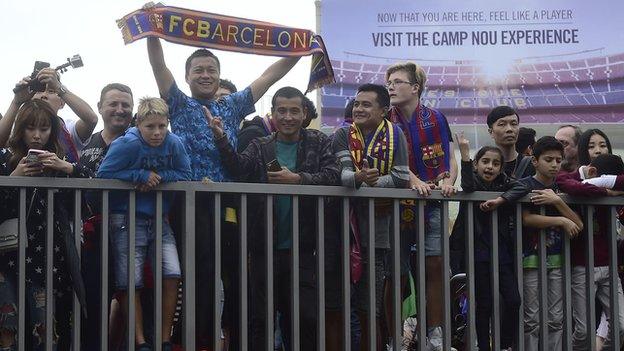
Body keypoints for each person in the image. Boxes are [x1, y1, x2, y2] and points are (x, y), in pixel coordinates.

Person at [146, 30, 301, 347]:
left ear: (218, 75)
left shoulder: (233, 105)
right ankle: (200, 341)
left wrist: (299, 50)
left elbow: (269, 76)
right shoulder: (178, 103)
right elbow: (159, 65)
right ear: (188, 77)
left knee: (235, 275)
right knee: (200, 274)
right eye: (198, 70)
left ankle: (238, 342)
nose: (205, 75)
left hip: (229, 202)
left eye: (211, 70)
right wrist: (153, 32)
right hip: (190, 202)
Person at [208, 86, 340, 351]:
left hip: (304, 247)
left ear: (305, 113)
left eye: (294, 111)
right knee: (260, 318)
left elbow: (334, 174)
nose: (288, 117)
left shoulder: (319, 141)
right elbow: (239, 168)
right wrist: (222, 139)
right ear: (273, 114)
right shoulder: (260, 145)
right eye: (282, 111)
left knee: (304, 318)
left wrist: (299, 179)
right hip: (263, 248)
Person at [97, 97, 191, 351]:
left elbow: (185, 173)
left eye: (162, 126)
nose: (157, 133)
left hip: (159, 217)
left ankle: (164, 339)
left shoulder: (174, 143)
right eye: (150, 127)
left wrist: (159, 178)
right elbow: (103, 174)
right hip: (125, 218)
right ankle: (140, 342)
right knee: (130, 280)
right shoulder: (126, 144)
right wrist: (138, 175)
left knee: (173, 273)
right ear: (139, 123)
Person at [0, 99, 90, 351]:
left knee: (46, 331)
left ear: (52, 130)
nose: (37, 136)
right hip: (7, 258)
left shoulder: (58, 163)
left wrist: (68, 167)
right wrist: (11, 179)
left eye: (43, 128)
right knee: (8, 328)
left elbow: (93, 192)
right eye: (30, 128)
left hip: (47, 260)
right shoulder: (6, 160)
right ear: (20, 130)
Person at [385, 62, 458, 350]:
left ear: (415, 88)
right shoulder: (385, 121)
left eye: (398, 81)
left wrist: (449, 179)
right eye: (389, 81)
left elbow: (449, 157)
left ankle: (436, 337)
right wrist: (413, 180)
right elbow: (391, 161)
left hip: (431, 203)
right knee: (396, 273)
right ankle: (395, 338)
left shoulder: (436, 118)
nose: (390, 86)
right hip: (395, 206)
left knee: (436, 266)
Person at [332, 84, 410, 350]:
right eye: (357, 104)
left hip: (378, 235)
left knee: (370, 308)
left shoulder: (396, 134)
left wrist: (369, 184)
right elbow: (340, 176)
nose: (359, 109)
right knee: (338, 304)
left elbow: (402, 178)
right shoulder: (342, 134)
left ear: (384, 111)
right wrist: (358, 178)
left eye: (366, 105)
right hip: (341, 233)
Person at [450, 132, 526, 351]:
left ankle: (503, 345)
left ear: (501, 169)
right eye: (485, 162)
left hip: (501, 254)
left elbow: (524, 186)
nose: (490, 167)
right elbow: (468, 184)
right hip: (477, 254)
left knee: (513, 300)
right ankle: (484, 347)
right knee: (484, 305)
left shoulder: (504, 185)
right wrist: (464, 154)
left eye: (495, 163)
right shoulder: (471, 182)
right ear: (476, 165)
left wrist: (501, 199)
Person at [78, 83, 134, 351]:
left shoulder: (142, 139)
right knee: (93, 306)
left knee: (133, 305)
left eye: (125, 105)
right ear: (100, 107)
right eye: (113, 104)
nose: (119, 110)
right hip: (91, 240)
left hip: (132, 235)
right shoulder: (86, 141)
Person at [556, 129, 624, 349]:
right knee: (584, 330)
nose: (598, 150)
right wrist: (603, 191)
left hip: (609, 263)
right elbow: (565, 183)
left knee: (621, 325)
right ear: (582, 150)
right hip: (582, 264)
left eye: (603, 145)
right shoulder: (574, 175)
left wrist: (603, 182)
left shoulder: (617, 173)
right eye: (592, 145)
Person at [519, 136, 584, 351]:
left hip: (557, 261)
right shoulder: (526, 185)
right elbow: (525, 218)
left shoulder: (562, 187)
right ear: (535, 161)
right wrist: (560, 220)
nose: (555, 164)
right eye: (549, 159)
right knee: (532, 319)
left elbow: (578, 224)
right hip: (529, 260)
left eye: (558, 160)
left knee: (556, 318)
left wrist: (557, 201)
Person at [1, 68, 99, 162]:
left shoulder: (69, 130)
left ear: (62, 102)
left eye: (51, 91)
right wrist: (16, 102)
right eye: (40, 90)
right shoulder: (16, 128)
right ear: (30, 97)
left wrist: (59, 88)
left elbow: (91, 120)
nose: (44, 95)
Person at [486, 106, 535, 179]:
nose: (509, 129)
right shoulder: (484, 167)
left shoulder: (533, 165)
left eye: (514, 124)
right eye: (502, 124)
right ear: (491, 132)